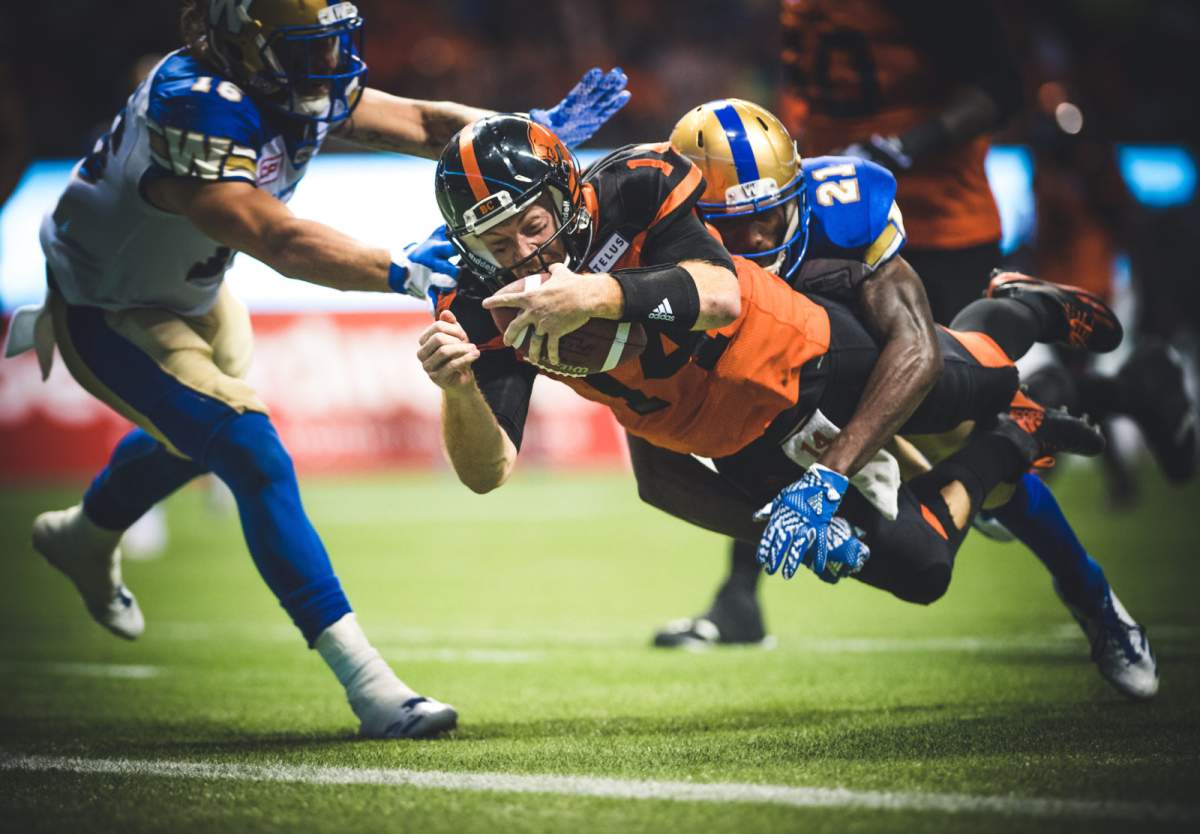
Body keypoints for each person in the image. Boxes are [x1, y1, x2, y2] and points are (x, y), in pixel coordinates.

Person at [6, 0, 628, 740]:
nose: (332, 65)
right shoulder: (196, 106)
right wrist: (402, 273)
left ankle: (84, 534)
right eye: (312, 48)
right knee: (248, 448)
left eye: (334, 45)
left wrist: (522, 136)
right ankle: (370, 687)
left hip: (195, 289)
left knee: (202, 432)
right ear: (246, 47)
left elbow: (433, 129)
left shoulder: (285, 80)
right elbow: (277, 237)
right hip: (109, 307)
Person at [416, 112, 1156, 698]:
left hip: (802, 347)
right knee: (922, 569)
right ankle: (1016, 441)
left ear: (566, 197)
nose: (523, 253)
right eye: (496, 240)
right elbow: (491, 472)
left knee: (980, 376)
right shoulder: (483, 303)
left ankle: (1018, 310)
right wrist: (458, 391)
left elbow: (721, 291)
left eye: (533, 226)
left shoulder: (637, 187)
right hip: (731, 432)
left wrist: (595, 294)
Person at [639, 100, 1157, 699]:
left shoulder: (842, 211)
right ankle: (1011, 443)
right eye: (729, 225)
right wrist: (789, 533)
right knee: (924, 562)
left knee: (971, 404)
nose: (755, 237)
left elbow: (916, 349)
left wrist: (826, 482)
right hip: (766, 404)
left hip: (854, 356)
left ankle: (1094, 599)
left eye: (770, 214)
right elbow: (657, 473)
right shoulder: (654, 269)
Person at [657, 0, 1026, 648]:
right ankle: (740, 595)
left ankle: (1067, 419)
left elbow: (1001, 87)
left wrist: (903, 146)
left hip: (929, 218)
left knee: (972, 414)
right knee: (771, 386)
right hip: (789, 204)